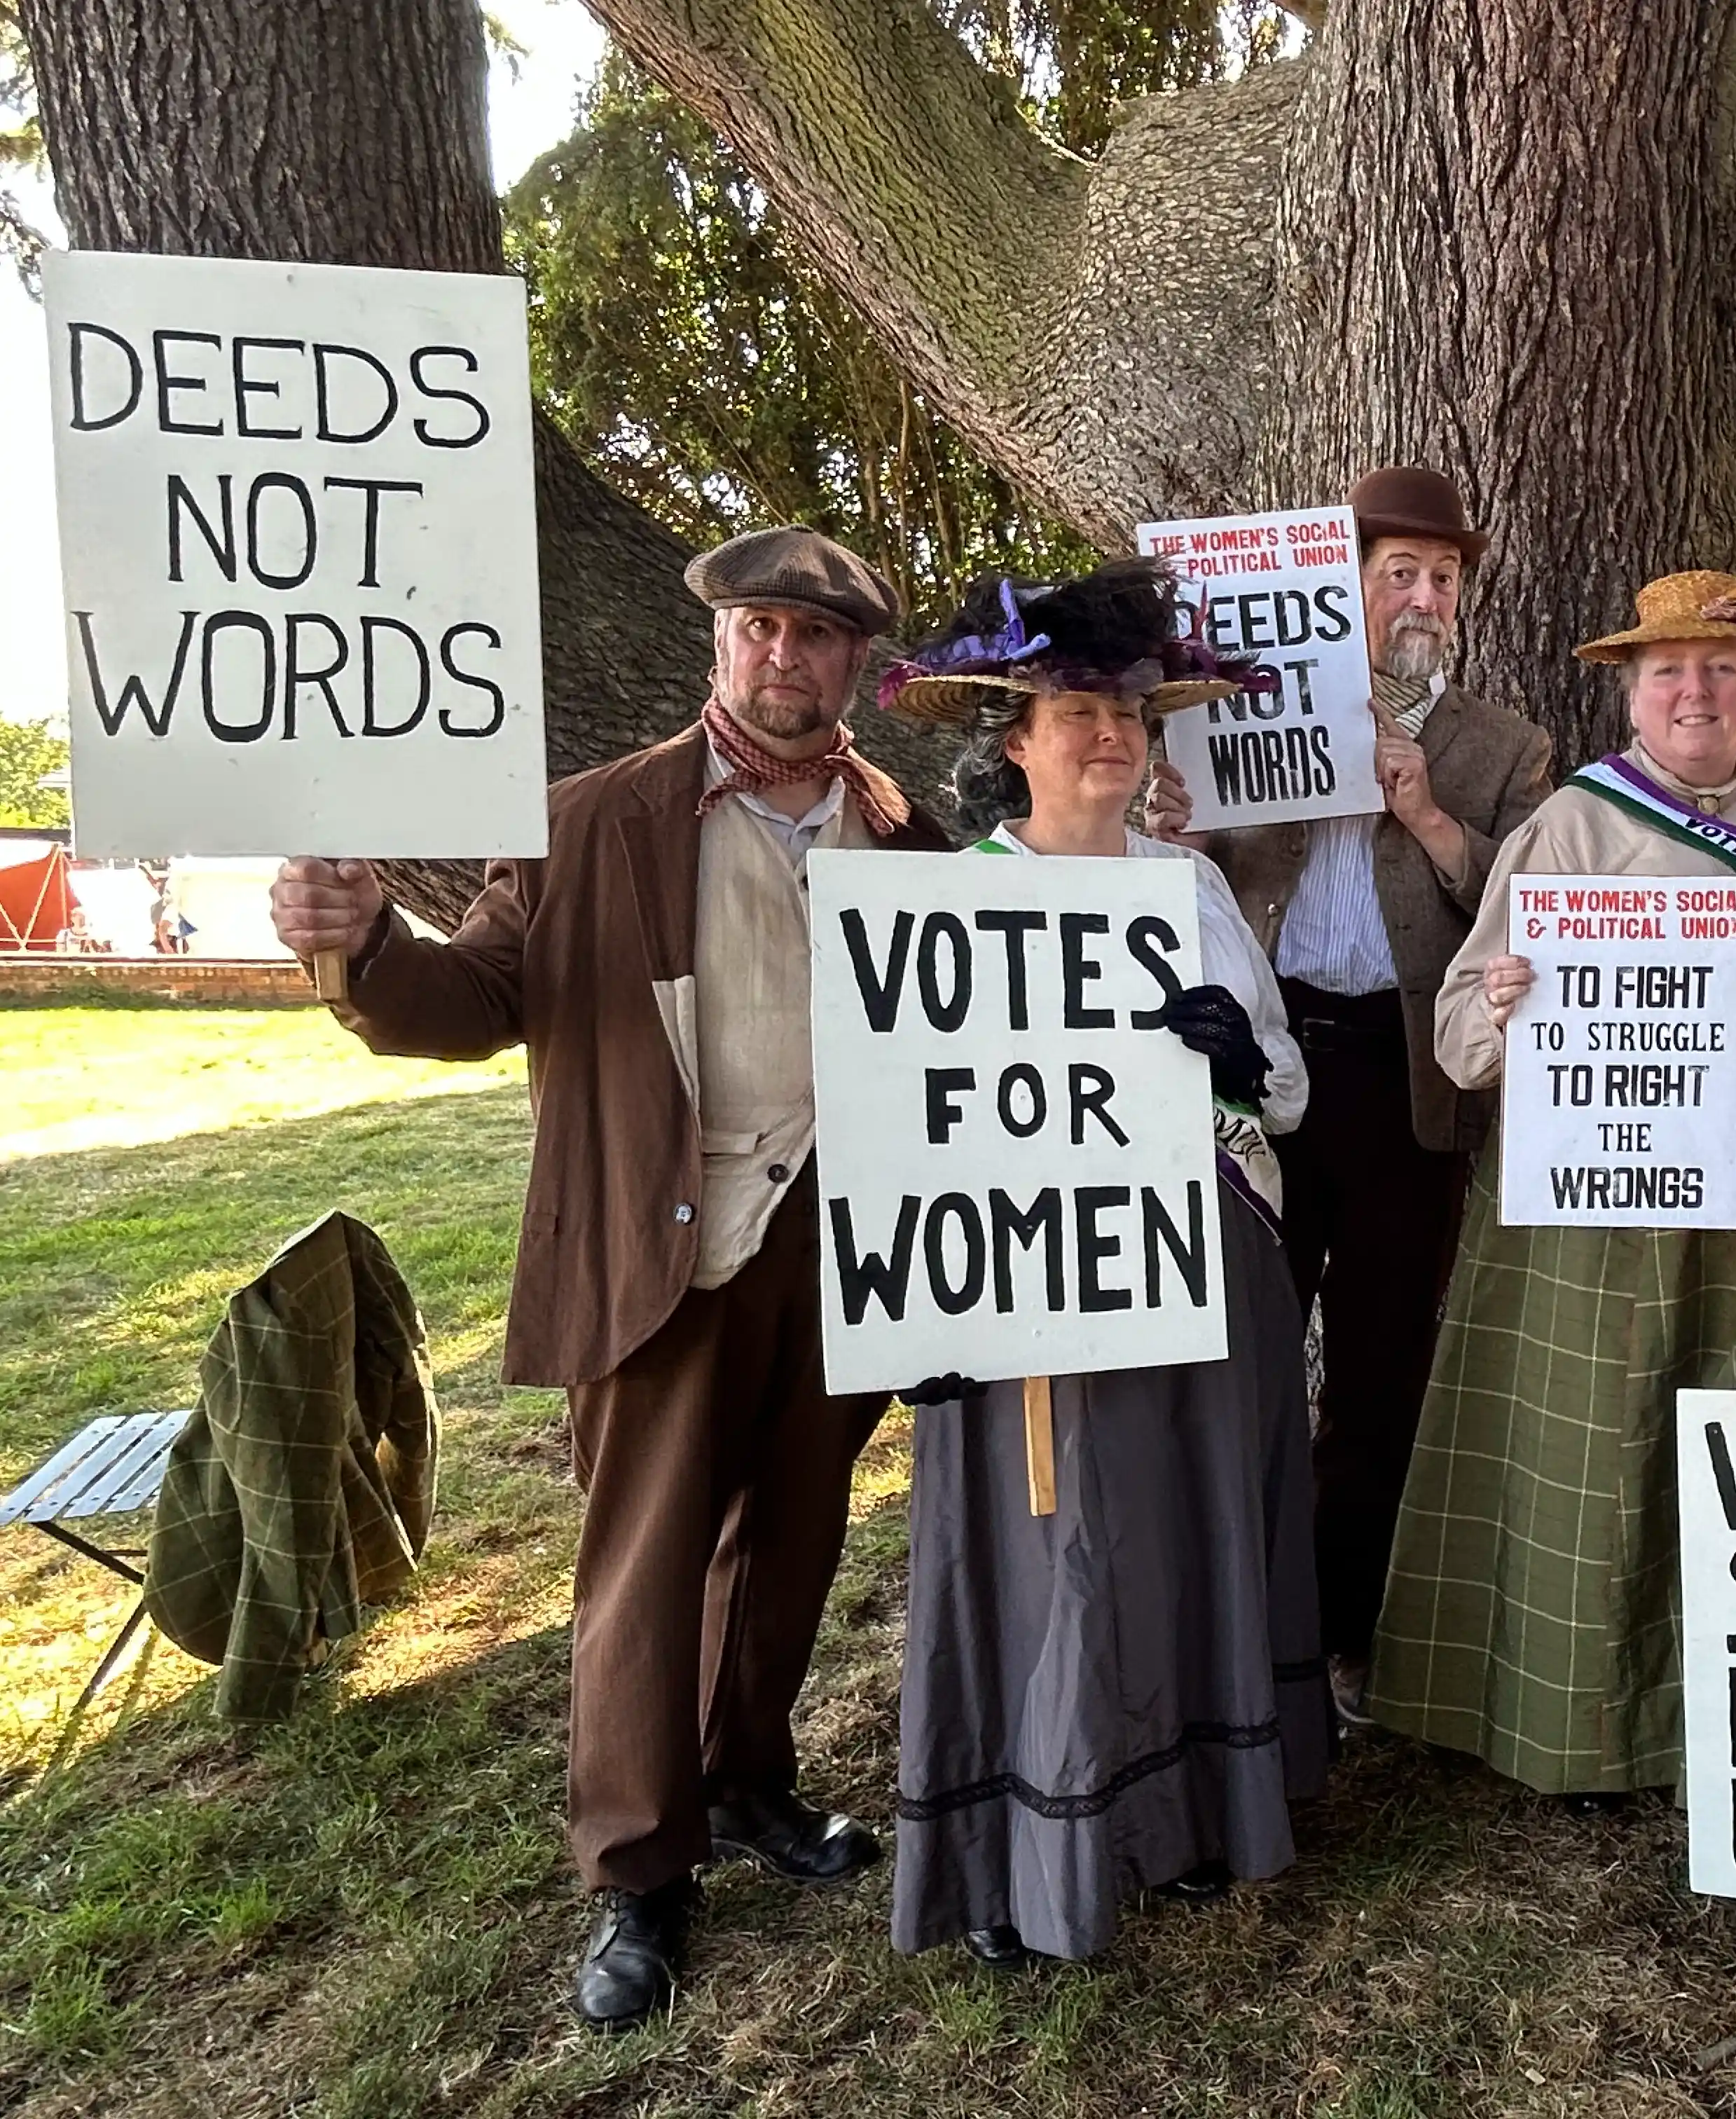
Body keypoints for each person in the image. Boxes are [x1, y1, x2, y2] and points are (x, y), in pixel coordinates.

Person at [267, 526, 952, 2031]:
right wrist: (368, 941)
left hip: (846, 1254)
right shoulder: (590, 821)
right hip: (667, 1250)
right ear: (722, 644)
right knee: (644, 1570)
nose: (786, 656)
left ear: (856, 667)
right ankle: (642, 1871)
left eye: (817, 638)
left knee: (794, 1537)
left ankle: (750, 1782)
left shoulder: (908, 840)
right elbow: (473, 998)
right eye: (761, 628)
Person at [1366, 472, 1736, 1807]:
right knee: (1590, 1443)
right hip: (1590, 1182)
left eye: (1722, 671)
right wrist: (1502, 1011)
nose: (1695, 695)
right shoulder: (1570, 824)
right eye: (1669, 674)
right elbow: (1459, 1036)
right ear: (1631, 691)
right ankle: (1573, 1722)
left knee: (1734, 1430)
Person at [877, 558, 1333, 1968]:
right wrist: (921, 1310)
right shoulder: (958, 902)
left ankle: (1195, 1811)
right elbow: (908, 1125)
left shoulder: (1190, 884)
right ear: (1015, 736)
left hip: (1209, 1261)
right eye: (1075, 706)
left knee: (1194, 1537)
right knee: (1063, 1553)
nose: (1110, 733)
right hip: (1037, 1284)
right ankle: (1042, 1842)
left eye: (1131, 708)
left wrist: (1239, 1059)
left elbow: (1293, 1097)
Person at [1145, 467, 1552, 1719]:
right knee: (1236, 1342)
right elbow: (1183, 877)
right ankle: (1225, 1619)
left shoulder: (1503, 746)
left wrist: (1429, 819)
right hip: (1258, 1061)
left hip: (1407, 1077)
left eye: (1444, 577)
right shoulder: (1233, 706)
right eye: (1398, 573)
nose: (1424, 596)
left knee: (1381, 1364)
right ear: (1343, 585)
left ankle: (1338, 1627)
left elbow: (1531, 904)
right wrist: (1179, 831)